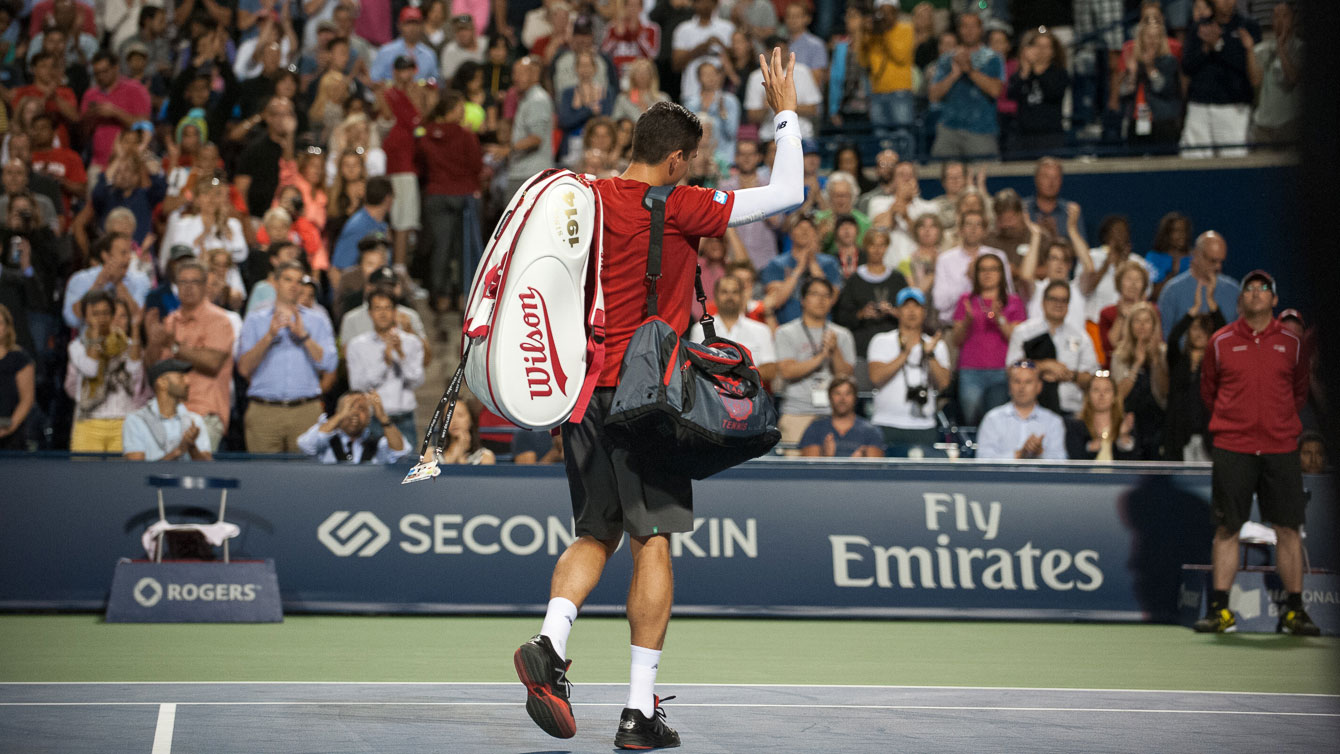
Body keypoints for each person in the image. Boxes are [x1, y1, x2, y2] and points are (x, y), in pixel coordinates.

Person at [512, 50, 804, 750]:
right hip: (648, 401)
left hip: (583, 394)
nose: (691, 171)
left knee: (594, 534)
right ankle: (638, 712)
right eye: (690, 162)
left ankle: (550, 643)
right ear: (675, 160)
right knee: (653, 543)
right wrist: (785, 111)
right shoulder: (682, 205)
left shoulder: (583, 199)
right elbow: (788, 191)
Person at [1195, 269, 1318, 635]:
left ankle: (1295, 612)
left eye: (1263, 288)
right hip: (1233, 447)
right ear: (1241, 300)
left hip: (1280, 448)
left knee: (1288, 529)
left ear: (1274, 299)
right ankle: (1220, 611)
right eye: (1249, 289)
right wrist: (1238, 423)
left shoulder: (1293, 344)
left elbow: (1298, 391)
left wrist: (1275, 423)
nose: (1255, 293)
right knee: (1227, 528)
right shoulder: (1220, 342)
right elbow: (1209, 391)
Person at [237, 261, 338, 453]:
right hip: (264, 411)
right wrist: (269, 337)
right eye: (288, 280)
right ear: (275, 283)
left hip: (306, 411)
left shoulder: (318, 320)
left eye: (298, 281)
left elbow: (329, 364)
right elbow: (243, 368)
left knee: (307, 471)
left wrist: (304, 337)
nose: (294, 286)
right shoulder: (255, 319)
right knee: (263, 471)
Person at [144, 260, 236, 452]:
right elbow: (153, 370)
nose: (188, 287)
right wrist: (153, 342)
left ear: (205, 285)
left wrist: (174, 345)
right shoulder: (170, 321)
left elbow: (212, 363)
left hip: (204, 413)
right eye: (183, 282)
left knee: (198, 468)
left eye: (194, 282)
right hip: (168, 414)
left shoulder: (219, 320)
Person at [775, 277, 857, 448]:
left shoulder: (842, 335)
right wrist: (821, 357)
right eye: (815, 294)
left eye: (826, 296)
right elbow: (787, 371)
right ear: (803, 300)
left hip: (833, 414)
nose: (821, 300)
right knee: (794, 463)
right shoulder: (786, 332)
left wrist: (835, 351)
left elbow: (846, 376)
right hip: (796, 413)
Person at [868, 287, 950, 448]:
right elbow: (876, 378)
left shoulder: (936, 345)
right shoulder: (881, 341)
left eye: (916, 306)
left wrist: (930, 355)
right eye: (906, 306)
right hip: (886, 422)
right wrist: (905, 353)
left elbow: (943, 384)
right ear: (897, 311)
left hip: (923, 425)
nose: (911, 311)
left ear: (924, 312)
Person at [951, 252, 1025, 425]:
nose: (988, 273)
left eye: (993, 269)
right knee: (971, 420)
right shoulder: (966, 301)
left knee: (997, 422)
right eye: (983, 269)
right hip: (970, 370)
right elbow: (955, 340)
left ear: (1001, 273)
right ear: (976, 274)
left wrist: (999, 318)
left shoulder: (1013, 301)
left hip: (1002, 370)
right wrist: (967, 321)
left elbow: (1017, 339)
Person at [1180, 0, 1260, 158]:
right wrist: (1205, 48)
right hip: (1199, 106)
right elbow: (1187, 66)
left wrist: (1218, 45)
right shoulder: (1199, 27)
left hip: (1233, 108)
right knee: (1193, 163)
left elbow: (1247, 68)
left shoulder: (1248, 26)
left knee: (1234, 163)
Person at [1008, 280, 1099, 417]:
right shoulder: (1024, 332)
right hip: (1030, 410)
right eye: (1053, 299)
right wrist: (1044, 366)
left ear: (1068, 305)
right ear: (1043, 302)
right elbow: (1011, 369)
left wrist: (1068, 374)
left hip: (1069, 410)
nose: (1058, 304)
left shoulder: (1081, 337)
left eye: (1064, 300)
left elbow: (1092, 378)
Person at [346, 288, 425, 443]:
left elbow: (417, 381)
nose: (383, 313)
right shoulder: (357, 345)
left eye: (387, 308)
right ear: (369, 313)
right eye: (377, 308)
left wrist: (400, 355)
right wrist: (384, 362)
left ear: (395, 311)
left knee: (407, 459)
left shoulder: (412, 342)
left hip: (404, 419)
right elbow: (357, 386)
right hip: (372, 420)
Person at [68, 290, 143, 452]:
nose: (101, 318)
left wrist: (136, 328)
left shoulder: (129, 345)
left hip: (123, 422)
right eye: (95, 314)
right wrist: (95, 335)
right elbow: (91, 369)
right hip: (88, 423)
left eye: (105, 313)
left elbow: (135, 371)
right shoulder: (77, 347)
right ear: (86, 317)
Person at [928, 12, 1005, 159]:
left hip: (981, 130)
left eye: (973, 26)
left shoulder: (993, 58)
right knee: (940, 171)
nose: (969, 31)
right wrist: (953, 75)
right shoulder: (946, 59)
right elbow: (933, 96)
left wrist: (970, 71)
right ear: (959, 30)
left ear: (981, 30)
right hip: (949, 129)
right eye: (965, 26)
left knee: (985, 172)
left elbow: (995, 90)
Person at [832, 226, 906, 379]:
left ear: (887, 247)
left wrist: (892, 311)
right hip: (861, 347)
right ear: (866, 247)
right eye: (873, 245)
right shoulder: (854, 280)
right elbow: (841, 316)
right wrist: (862, 314)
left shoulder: (898, 279)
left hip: (893, 349)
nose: (877, 250)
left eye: (882, 245)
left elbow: (911, 313)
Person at [1164, 288, 1225, 461]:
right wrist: (1192, 312)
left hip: (1208, 435)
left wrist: (1212, 306)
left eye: (1205, 330)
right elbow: (1173, 339)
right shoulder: (1177, 361)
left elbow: (1224, 334)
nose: (1199, 334)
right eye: (1195, 329)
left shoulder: (1215, 364)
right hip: (1179, 436)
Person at [688, 274, 777, 384]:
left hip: (751, 393)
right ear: (715, 296)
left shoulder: (761, 330)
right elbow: (694, 367)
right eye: (724, 292)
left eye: (735, 292)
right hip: (712, 393)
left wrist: (731, 376)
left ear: (742, 296)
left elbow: (770, 370)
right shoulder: (699, 329)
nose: (729, 297)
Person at [121, 358, 213, 462]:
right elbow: (136, 469)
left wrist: (192, 447)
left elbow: (208, 467)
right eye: (181, 376)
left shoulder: (194, 420)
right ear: (162, 383)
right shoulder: (136, 421)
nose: (188, 381)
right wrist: (179, 451)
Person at [1108, 303, 1168, 459]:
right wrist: (1136, 364)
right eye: (1137, 321)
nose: (1142, 326)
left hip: (1158, 423)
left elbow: (1165, 391)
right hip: (1128, 422)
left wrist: (1156, 361)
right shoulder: (1119, 354)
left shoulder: (1163, 352)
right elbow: (1119, 394)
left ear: (1154, 325)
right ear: (1130, 325)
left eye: (1147, 321)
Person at [974, 360, 1067, 460]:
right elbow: (982, 458)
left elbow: (1061, 461)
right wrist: (1019, 455)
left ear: (1039, 386)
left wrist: (1040, 453)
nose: (1022, 387)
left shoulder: (1053, 422)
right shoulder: (992, 419)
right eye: (1017, 381)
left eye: (1028, 382)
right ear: (1009, 385)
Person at [931, 209, 1010, 324]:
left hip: (994, 324)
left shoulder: (998, 256)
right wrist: (967, 278)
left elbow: (1008, 294)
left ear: (985, 231)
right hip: (953, 325)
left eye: (978, 224)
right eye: (969, 224)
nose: (973, 229)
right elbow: (940, 303)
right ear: (960, 230)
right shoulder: (945, 260)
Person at [760, 215, 843, 325]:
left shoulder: (830, 263)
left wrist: (812, 263)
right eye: (799, 227)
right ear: (790, 233)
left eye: (809, 228)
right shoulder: (777, 264)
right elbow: (776, 301)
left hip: (821, 327)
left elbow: (831, 299)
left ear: (815, 233)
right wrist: (799, 268)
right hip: (787, 327)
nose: (805, 231)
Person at [1157, 230, 1239, 341]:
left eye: (1221, 261)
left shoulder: (1234, 291)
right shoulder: (1172, 291)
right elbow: (1164, 336)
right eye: (1212, 261)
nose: (1218, 267)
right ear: (1196, 254)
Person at [62, 233, 150, 330]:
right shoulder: (80, 279)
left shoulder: (140, 280)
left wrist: (118, 283)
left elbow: (136, 319)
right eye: (123, 253)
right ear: (106, 256)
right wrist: (98, 284)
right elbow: (72, 319)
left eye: (130, 252)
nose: (129, 257)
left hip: (126, 338)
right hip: (90, 338)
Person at [297, 390, 409, 464]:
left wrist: (383, 417)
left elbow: (400, 452)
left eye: (361, 408)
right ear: (338, 412)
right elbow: (306, 445)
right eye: (349, 408)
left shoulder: (378, 442)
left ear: (369, 417)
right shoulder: (326, 441)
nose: (355, 413)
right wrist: (340, 415)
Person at [1007, 28, 1069, 155]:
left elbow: (1052, 93)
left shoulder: (1059, 73)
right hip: (1023, 136)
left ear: (1053, 52)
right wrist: (1025, 71)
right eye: (1037, 46)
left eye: (1046, 47)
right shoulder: (1022, 73)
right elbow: (1012, 95)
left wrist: (1036, 69)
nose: (1041, 51)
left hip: (1050, 136)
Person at [1248, 2, 1302, 147]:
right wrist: (1249, 50)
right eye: (1276, 16)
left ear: (1294, 19)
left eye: (1285, 16)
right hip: (1262, 126)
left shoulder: (1301, 48)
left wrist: (1281, 48)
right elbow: (1255, 80)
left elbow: (1292, 78)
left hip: (1289, 124)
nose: (1280, 21)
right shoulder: (1262, 49)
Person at [859, 0, 915, 140]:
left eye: (888, 12)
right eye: (882, 12)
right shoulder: (873, 34)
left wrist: (885, 33)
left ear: (896, 13)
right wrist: (865, 35)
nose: (885, 17)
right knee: (880, 137)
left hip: (900, 91)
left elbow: (900, 57)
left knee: (903, 134)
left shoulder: (906, 29)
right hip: (877, 91)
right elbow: (863, 62)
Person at [505, 56, 555, 200]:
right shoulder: (527, 97)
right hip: (524, 171)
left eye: (521, 73)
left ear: (534, 75)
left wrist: (507, 149)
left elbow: (536, 138)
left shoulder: (537, 99)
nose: (515, 78)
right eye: (514, 73)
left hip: (530, 173)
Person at [799, 376, 884, 457]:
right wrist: (827, 458)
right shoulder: (815, 428)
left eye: (848, 393)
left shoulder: (870, 431)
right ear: (829, 397)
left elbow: (875, 465)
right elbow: (809, 464)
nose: (842, 399)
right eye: (837, 393)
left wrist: (858, 464)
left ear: (855, 397)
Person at [1064, 371, 1138, 461]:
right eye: (1096, 390)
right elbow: (1075, 459)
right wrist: (1091, 448)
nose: (1101, 395)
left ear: (1114, 396)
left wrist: (1123, 436)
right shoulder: (1075, 426)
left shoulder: (1125, 423)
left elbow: (1135, 462)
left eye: (1107, 390)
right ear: (1088, 396)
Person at [0, 304, 34, 450]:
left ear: (7, 327)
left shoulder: (20, 359)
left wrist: (10, 427)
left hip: (12, 435)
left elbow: (27, 399)